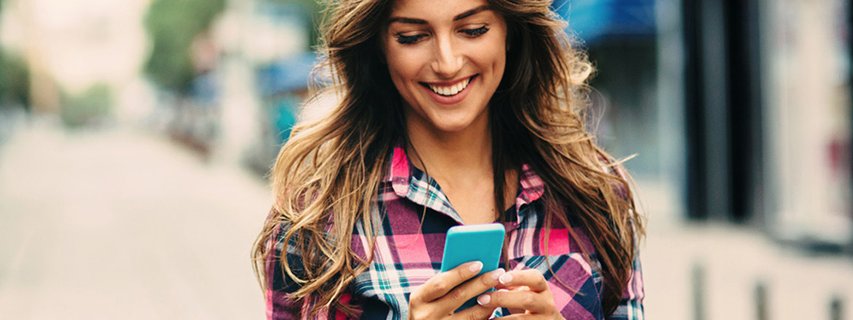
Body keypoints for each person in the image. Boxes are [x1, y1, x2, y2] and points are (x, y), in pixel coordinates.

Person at [251, 0, 645, 319]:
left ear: (510, 31)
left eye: (472, 30)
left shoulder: (595, 192)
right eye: (412, 36)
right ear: (379, 47)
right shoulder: (317, 218)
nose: (447, 62)